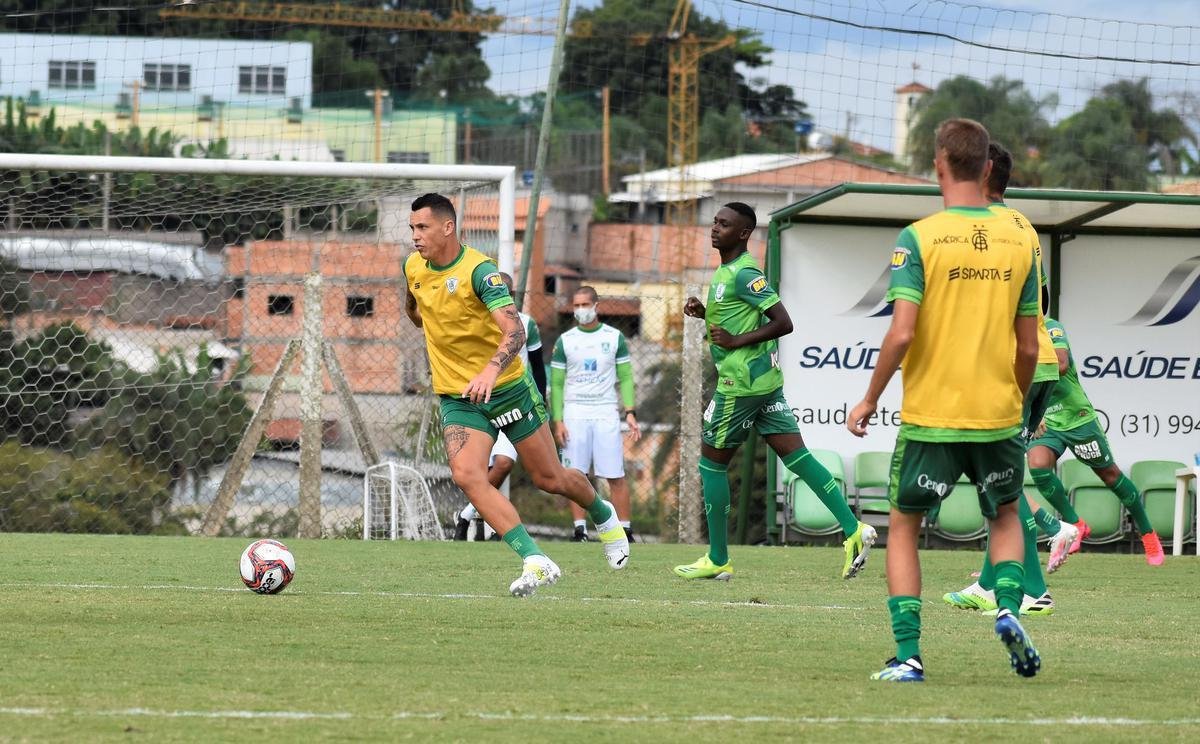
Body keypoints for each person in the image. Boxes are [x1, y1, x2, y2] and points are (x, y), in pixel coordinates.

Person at [847, 119, 1041, 682]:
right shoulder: (1021, 237)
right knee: (1005, 515)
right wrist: (1016, 400)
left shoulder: (919, 237)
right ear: (987, 168)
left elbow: (902, 334)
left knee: (905, 525)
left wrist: (868, 399)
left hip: (932, 418)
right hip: (998, 415)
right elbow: (1029, 344)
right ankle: (1007, 607)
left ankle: (909, 655)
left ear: (937, 164)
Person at [402, 193, 629, 596]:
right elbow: (415, 305)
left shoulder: (480, 272)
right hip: (458, 396)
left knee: (550, 478)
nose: (415, 236)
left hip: (508, 389)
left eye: (422, 227)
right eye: (412, 229)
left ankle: (602, 513)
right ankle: (535, 559)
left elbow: (515, 331)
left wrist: (491, 370)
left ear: (447, 227)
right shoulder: (413, 267)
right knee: (467, 475)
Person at [673, 202, 877, 581]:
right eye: (715, 222)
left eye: (724, 224)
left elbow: (784, 322)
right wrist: (707, 314)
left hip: (740, 385)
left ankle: (718, 558)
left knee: (711, 464)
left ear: (744, 233)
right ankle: (854, 529)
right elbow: (739, 315)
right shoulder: (728, 271)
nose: (715, 228)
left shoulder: (745, 271)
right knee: (797, 457)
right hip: (764, 384)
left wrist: (735, 341)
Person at [943, 142, 1077, 616]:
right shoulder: (1021, 223)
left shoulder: (984, 228)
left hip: (1011, 365)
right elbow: (1033, 301)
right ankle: (987, 582)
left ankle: (1033, 586)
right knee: (996, 473)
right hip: (1034, 363)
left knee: (995, 477)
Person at [1032, 317, 1165, 567]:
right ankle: (1076, 524)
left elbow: (1060, 364)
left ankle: (1147, 533)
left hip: (1076, 418)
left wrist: (1024, 368)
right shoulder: (1012, 335)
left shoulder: (1050, 327)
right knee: (1038, 465)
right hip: (1046, 420)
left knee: (1110, 475)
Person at [453, 272, 547, 541]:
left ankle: (467, 515)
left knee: (504, 463)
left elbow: (538, 366)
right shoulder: (472, 324)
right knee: (474, 471)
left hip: (514, 402)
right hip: (477, 405)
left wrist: (540, 400)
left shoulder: (526, 324)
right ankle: (490, 526)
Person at [550, 287, 641, 541]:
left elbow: (625, 377)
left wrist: (630, 412)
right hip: (575, 412)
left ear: (596, 305)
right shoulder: (565, 341)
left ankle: (625, 529)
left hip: (605, 411)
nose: (580, 310)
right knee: (575, 474)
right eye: (576, 306)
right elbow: (556, 384)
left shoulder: (614, 338)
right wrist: (558, 420)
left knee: (615, 474)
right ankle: (580, 530)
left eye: (584, 305)